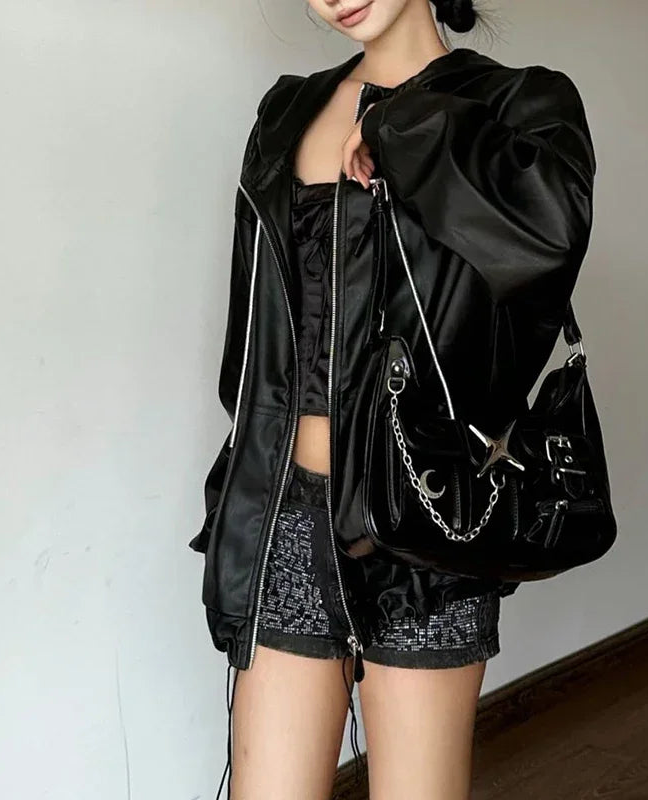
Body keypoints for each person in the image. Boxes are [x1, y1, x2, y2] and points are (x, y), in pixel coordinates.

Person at [189, 0, 596, 797]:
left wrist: (401, 126)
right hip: (287, 512)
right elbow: (256, 333)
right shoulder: (287, 111)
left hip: (426, 523)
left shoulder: (520, 105)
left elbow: (549, 238)